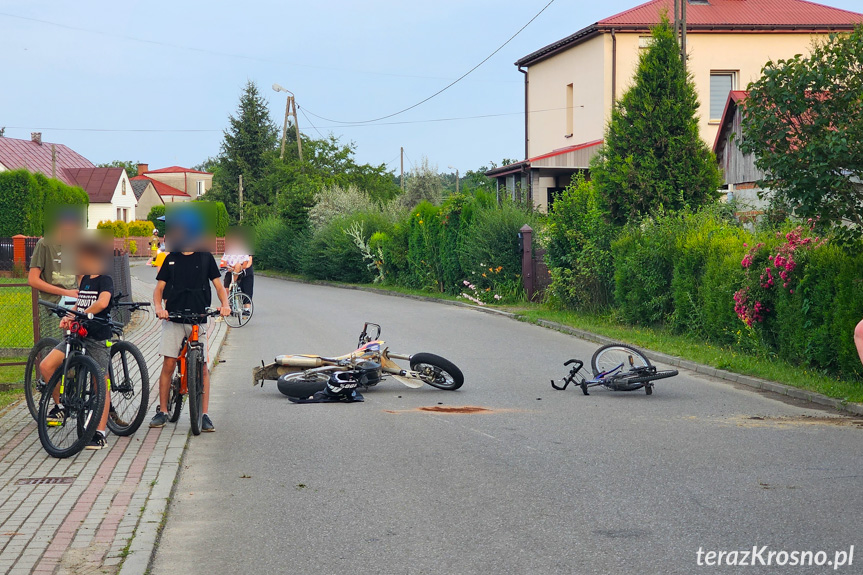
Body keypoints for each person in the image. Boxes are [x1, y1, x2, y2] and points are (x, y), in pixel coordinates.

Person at [149, 218, 230, 431]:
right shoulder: (170, 259)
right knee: (168, 363)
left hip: (199, 318)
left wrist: (225, 304)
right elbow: (158, 290)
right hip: (174, 317)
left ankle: (204, 415)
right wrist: (159, 308)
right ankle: (163, 411)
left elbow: (219, 287)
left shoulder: (205, 258)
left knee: (203, 367)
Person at [39, 237, 114, 450]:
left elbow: (102, 302)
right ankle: (61, 406)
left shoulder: (104, 279)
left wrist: (81, 315)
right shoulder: (85, 279)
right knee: (46, 365)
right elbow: (80, 304)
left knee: (101, 382)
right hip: (77, 335)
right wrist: (70, 317)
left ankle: (99, 433)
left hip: (97, 336)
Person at [28, 209, 82, 338]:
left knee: (97, 308)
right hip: (56, 299)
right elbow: (32, 279)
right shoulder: (45, 244)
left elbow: (80, 275)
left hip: (73, 296)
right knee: (83, 313)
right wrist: (66, 292)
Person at [220, 235, 253, 316]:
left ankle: (246, 308)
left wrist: (238, 267)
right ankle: (225, 306)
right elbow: (223, 262)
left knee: (246, 287)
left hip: (241, 271)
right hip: (230, 271)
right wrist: (229, 267)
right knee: (225, 289)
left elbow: (247, 263)